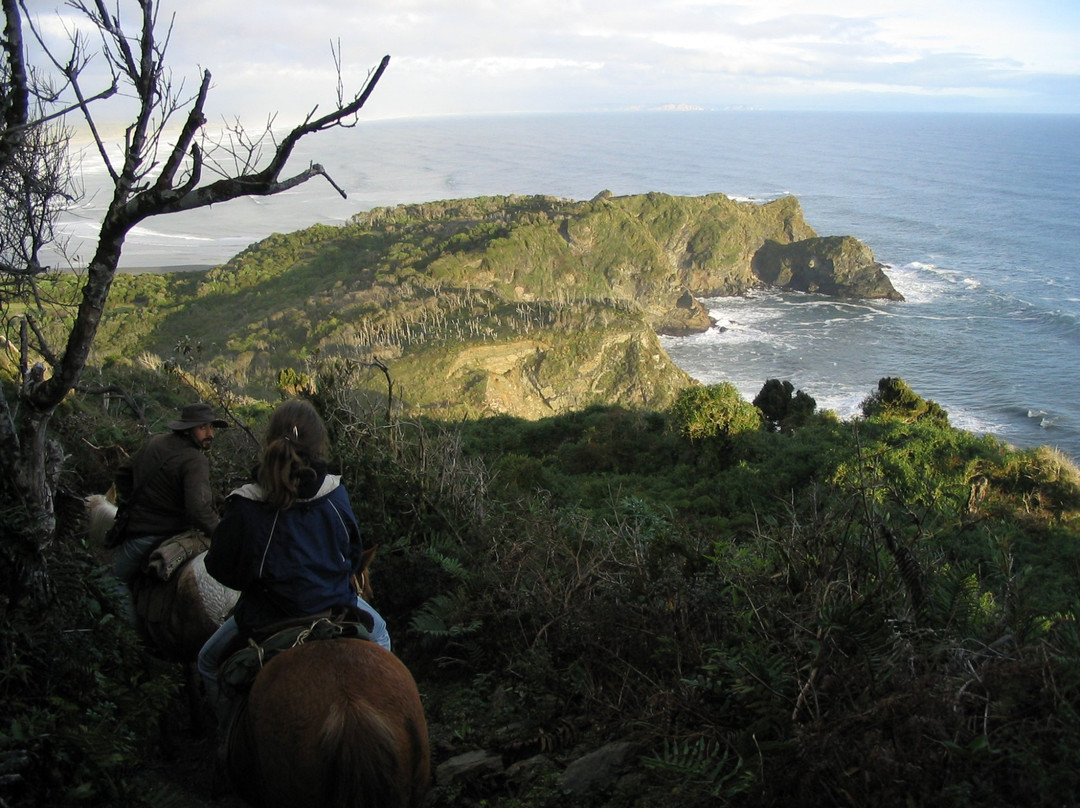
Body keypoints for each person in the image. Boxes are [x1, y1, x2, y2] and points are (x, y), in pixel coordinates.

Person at [197, 399, 390, 721]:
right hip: (332, 606)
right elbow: (353, 556)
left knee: (207, 662)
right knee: (381, 634)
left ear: (269, 441)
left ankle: (226, 736)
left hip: (266, 615)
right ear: (318, 445)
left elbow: (220, 568)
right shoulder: (335, 493)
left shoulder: (246, 504)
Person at [111, 401, 227, 590]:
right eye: (203, 427)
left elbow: (123, 473)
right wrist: (222, 534)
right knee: (113, 584)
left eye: (211, 427)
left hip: (138, 530)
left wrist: (138, 502)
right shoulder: (195, 459)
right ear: (188, 429)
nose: (210, 434)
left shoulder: (154, 442)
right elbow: (198, 509)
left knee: (116, 578)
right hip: (161, 534)